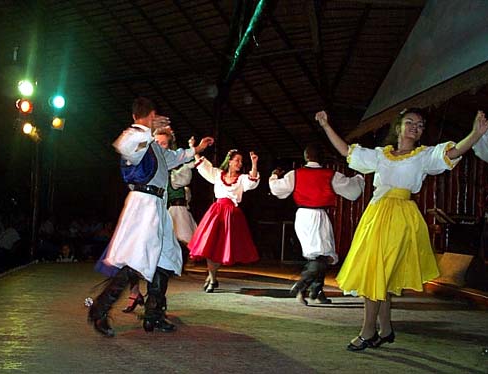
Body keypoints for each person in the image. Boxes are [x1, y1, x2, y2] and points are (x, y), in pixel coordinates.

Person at [316, 108, 488, 351]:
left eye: (420, 125)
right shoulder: (381, 155)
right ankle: (384, 330)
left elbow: (453, 151)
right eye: (410, 122)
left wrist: (474, 133)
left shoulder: (423, 156)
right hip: (375, 216)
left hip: (400, 219)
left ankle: (368, 331)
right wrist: (326, 125)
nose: (415, 127)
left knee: (377, 273)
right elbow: (347, 151)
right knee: (377, 274)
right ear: (398, 127)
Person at [88, 97, 214, 337]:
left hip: (158, 206)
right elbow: (124, 145)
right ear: (149, 115)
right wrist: (149, 129)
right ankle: (99, 310)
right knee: (135, 261)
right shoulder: (137, 138)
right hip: (143, 205)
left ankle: (153, 315)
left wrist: (196, 150)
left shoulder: (154, 146)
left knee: (166, 259)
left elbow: (174, 158)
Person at [269, 144, 364, 305]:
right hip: (318, 215)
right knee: (322, 255)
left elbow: (277, 189)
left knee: (321, 254)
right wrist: (360, 176)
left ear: (306, 157)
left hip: (303, 216)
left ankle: (316, 290)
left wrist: (273, 176)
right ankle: (302, 286)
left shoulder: (295, 174)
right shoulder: (330, 175)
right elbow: (353, 190)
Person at [121, 128, 198, 313]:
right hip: (144, 213)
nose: (159, 146)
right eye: (157, 142)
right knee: (135, 256)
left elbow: (181, 160)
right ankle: (134, 296)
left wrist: (194, 149)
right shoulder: (144, 158)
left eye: (164, 144)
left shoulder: (169, 164)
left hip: (163, 214)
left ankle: (154, 306)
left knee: (164, 257)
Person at [188, 149, 260, 292]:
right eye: (237, 160)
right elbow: (204, 167)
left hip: (231, 215)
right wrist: (194, 148)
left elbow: (252, 180)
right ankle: (212, 277)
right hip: (216, 213)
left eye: (241, 161)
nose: (239, 163)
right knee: (210, 245)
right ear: (230, 161)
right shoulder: (218, 174)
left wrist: (254, 163)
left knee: (221, 247)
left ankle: (212, 276)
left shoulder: (241, 179)